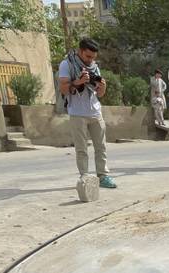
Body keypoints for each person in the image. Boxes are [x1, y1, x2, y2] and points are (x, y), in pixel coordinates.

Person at [58, 38, 116, 188]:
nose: (90, 60)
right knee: (81, 148)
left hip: (95, 112)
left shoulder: (94, 67)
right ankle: (84, 176)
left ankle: (103, 176)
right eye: (88, 56)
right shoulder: (67, 64)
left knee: (101, 147)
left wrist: (103, 86)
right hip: (77, 112)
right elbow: (63, 89)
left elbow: (100, 94)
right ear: (80, 51)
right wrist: (78, 82)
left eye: (93, 57)